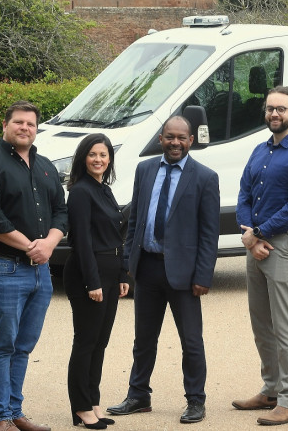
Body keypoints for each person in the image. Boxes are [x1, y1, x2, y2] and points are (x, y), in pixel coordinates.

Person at [106, 115, 220, 425]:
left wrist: (203, 276)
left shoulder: (205, 177)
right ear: (161, 138)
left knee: (191, 342)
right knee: (143, 339)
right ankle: (138, 395)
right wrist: (128, 267)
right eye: (170, 137)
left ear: (191, 141)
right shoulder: (145, 170)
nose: (175, 143)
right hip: (147, 270)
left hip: (184, 275)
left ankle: (196, 400)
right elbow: (135, 222)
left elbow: (210, 234)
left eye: (182, 138)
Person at [0, 100, 66, 431]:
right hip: (1, 266)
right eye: (19, 122)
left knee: (23, 346)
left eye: (31, 124)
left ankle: (15, 412)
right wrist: (30, 247)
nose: (25, 128)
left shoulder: (46, 167)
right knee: (2, 344)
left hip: (39, 271)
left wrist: (50, 243)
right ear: (5, 125)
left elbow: (61, 211)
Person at [233, 86, 288, 426]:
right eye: (270, 108)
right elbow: (244, 193)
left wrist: (258, 234)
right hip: (257, 244)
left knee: (286, 327)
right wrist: (249, 235)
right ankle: (270, 390)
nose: (274, 114)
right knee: (261, 324)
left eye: (281, 109)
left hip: (284, 245)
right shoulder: (259, 150)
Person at [64, 133, 130, 429]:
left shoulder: (104, 189)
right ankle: (80, 408)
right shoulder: (80, 192)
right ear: (83, 158)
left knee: (100, 343)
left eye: (103, 155)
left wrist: (122, 274)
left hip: (109, 270)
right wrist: (93, 283)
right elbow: (82, 241)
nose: (99, 160)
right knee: (86, 341)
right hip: (88, 274)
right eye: (93, 154)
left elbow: (117, 235)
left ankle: (93, 401)